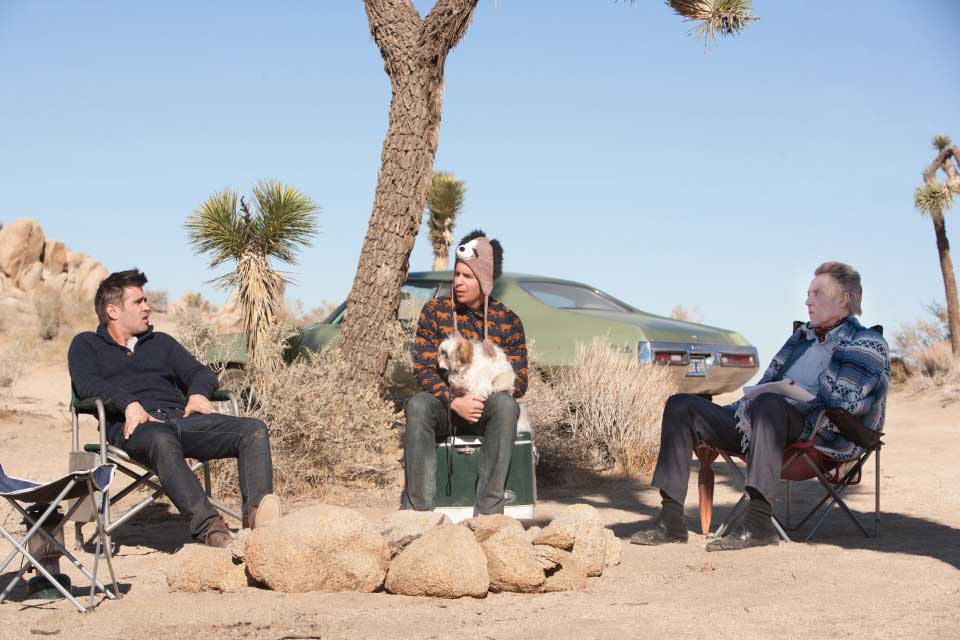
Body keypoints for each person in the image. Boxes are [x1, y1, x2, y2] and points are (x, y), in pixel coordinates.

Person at [631, 261, 890, 551]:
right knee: (681, 405)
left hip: (816, 433)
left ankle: (758, 523)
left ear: (844, 299)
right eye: (808, 294)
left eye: (817, 293)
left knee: (769, 403)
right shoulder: (801, 338)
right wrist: (767, 394)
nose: (808, 301)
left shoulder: (866, 342)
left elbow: (846, 403)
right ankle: (671, 521)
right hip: (759, 421)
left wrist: (795, 393)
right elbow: (768, 382)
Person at [68, 269, 280, 547]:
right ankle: (210, 528)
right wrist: (128, 403)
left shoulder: (161, 343)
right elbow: (86, 383)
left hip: (183, 421)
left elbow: (200, 372)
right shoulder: (86, 344)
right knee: (160, 438)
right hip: (136, 430)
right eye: (138, 302)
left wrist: (198, 394)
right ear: (113, 311)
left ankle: (258, 523)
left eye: (146, 300)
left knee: (252, 429)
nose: (147, 307)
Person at [401, 230, 529, 516]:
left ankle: (488, 513)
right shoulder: (435, 311)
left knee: (507, 405)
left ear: (485, 281)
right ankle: (417, 514)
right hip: (445, 407)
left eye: (468, 276)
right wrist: (454, 400)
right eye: (457, 274)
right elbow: (422, 368)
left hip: (485, 408)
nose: (458, 281)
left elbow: (520, 381)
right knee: (418, 405)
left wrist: (484, 392)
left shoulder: (508, 321)